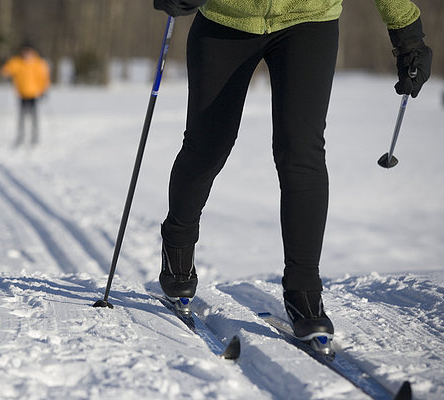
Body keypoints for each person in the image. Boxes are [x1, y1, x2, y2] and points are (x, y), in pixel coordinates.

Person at [153, 0, 432, 339]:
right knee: (208, 145)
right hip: (227, 18)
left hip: (308, 18)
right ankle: (177, 246)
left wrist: (407, 34)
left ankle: (304, 292)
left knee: (301, 150)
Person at [1, 44, 51, 147]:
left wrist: (44, 90)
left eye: (28, 52)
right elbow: (6, 70)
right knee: (21, 116)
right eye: (25, 52)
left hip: (34, 93)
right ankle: (21, 136)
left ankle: (34, 137)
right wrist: (4, 68)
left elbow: (43, 77)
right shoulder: (17, 62)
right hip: (21, 93)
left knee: (34, 116)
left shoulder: (38, 63)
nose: (26, 54)